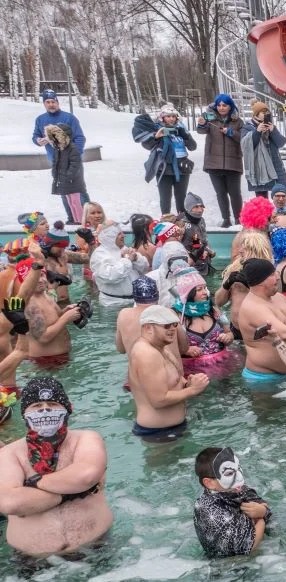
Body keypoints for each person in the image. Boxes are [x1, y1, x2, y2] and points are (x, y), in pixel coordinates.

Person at [0, 377, 112, 557]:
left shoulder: (87, 439)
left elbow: (86, 476)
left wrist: (31, 484)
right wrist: (75, 492)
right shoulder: (9, 454)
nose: (45, 410)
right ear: (24, 413)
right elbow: (10, 503)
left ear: (68, 409)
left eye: (53, 403)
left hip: (96, 546)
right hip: (32, 559)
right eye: (36, 406)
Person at [128, 305, 209, 440]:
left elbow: (172, 382)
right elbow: (158, 400)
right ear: (148, 327)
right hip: (157, 432)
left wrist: (187, 383)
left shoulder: (161, 348)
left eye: (174, 324)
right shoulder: (146, 354)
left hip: (171, 428)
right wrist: (193, 390)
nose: (172, 329)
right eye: (166, 326)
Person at [192, 447, 271, 558]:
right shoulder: (207, 508)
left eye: (238, 469)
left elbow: (261, 503)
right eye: (229, 473)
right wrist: (261, 518)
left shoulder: (235, 488)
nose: (239, 477)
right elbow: (248, 546)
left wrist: (262, 511)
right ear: (209, 483)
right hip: (228, 567)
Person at [231, 258, 286, 382]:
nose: (278, 277)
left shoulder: (277, 297)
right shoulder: (253, 308)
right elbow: (285, 334)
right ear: (260, 282)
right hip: (264, 380)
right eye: (272, 274)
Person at [31, 90, 88, 220]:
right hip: (56, 161)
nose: (51, 104)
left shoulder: (69, 118)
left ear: (57, 102)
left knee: (78, 190)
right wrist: (38, 141)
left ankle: (86, 219)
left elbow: (80, 138)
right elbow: (35, 135)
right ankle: (72, 219)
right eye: (48, 102)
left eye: (53, 101)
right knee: (63, 190)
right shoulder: (40, 119)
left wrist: (74, 156)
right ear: (44, 103)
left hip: (72, 160)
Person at [132, 104, 197, 216]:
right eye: (168, 116)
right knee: (165, 197)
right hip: (164, 168)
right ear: (162, 117)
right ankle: (166, 220)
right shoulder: (156, 128)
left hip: (182, 167)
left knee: (181, 197)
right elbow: (147, 145)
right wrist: (156, 136)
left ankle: (182, 220)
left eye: (173, 116)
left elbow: (193, 147)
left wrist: (186, 136)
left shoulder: (181, 128)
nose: (171, 119)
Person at [197, 93, 245, 227]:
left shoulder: (238, 121)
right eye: (219, 105)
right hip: (214, 163)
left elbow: (244, 138)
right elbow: (202, 130)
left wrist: (231, 133)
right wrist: (201, 124)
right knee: (221, 193)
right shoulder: (210, 119)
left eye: (225, 105)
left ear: (230, 106)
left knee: (235, 193)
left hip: (233, 163)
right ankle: (226, 219)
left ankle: (238, 218)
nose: (221, 108)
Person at [90, 223, 150, 307]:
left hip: (136, 301)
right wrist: (127, 260)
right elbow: (110, 276)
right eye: (119, 234)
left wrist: (136, 259)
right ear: (109, 237)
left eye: (122, 233)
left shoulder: (124, 248)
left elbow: (145, 267)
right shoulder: (99, 255)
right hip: (113, 304)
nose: (123, 236)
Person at [242, 101, 286, 198]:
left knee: (279, 197)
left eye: (267, 112)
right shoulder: (247, 127)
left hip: (275, 165)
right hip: (259, 169)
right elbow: (247, 147)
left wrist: (273, 131)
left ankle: (279, 213)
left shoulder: (271, 126)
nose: (266, 114)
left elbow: (281, 143)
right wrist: (257, 132)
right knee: (262, 200)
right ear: (256, 114)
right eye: (263, 112)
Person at [42, 125, 87, 224]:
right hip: (63, 179)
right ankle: (74, 219)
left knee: (76, 201)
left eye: (56, 136)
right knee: (70, 201)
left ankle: (80, 220)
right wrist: (55, 173)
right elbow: (55, 163)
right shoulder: (58, 149)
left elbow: (75, 164)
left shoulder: (72, 148)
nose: (54, 139)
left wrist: (68, 176)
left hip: (73, 180)